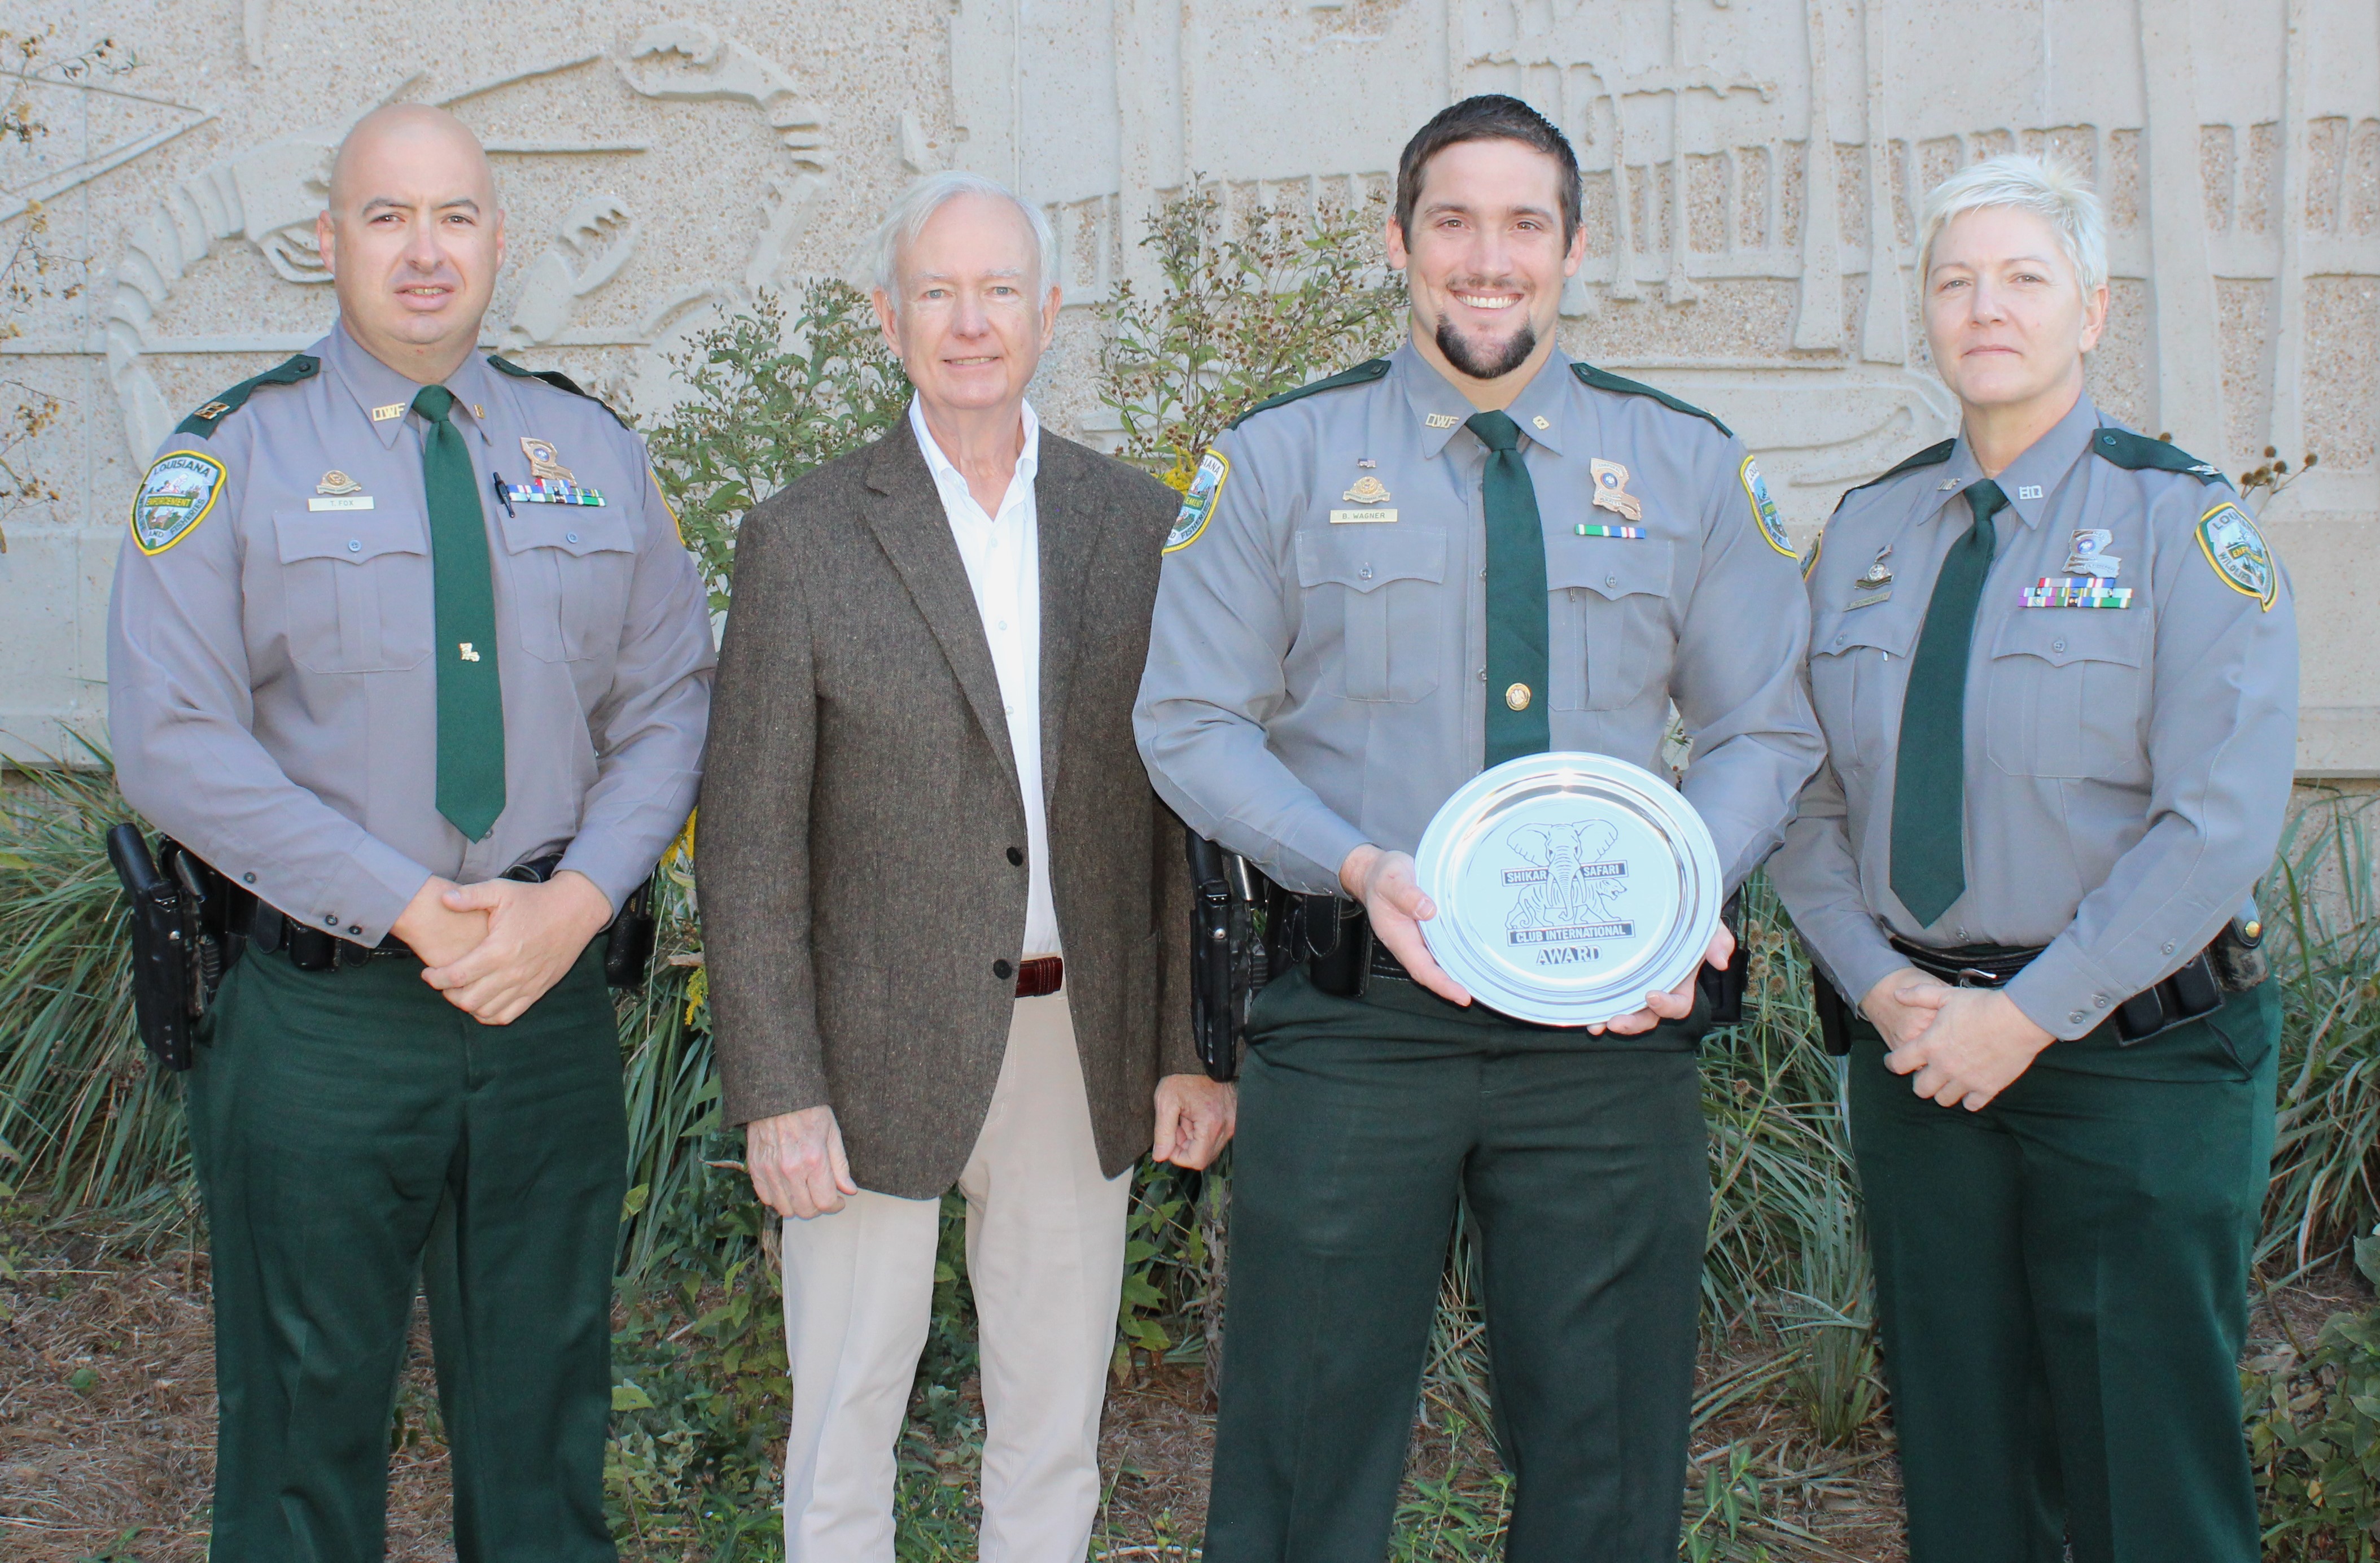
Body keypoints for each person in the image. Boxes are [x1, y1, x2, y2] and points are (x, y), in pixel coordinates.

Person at [1135, 95, 1823, 1561]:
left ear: (1573, 248)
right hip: (1354, 1015)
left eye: (1524, 223)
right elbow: (1186, 721)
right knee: (1302, 1443)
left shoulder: (1687, 466)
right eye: (1454, 220)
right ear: (1402, 240)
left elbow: (1768, 730)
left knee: (1606, 1452)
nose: (1487, 255)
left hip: (1611, 1032)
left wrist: (1688, 879)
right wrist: (1358, 865)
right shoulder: (1282, 460)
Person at [105, 105, 712, 1560]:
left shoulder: (592, 449)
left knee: (546, 1406)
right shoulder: (229, 456)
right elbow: (173, 739)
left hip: (543, 999)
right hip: (319, 1021)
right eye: (387, 217)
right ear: (326, 243)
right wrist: (401, 900)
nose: (424, 251)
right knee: (304, 1423)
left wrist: (573, 906)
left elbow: (670, 702)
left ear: (499, 242)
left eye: (454, 217)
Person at [696, 170, 1236, 1563]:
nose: (970, 320)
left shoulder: (1140, 526)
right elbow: (747, 837)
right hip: (863, 1060)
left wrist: (1189, 1046)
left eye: (999, 289)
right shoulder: (805, 536)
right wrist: (778, 1088)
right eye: (937, 291)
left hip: (1080, 1039)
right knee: (843, 1422)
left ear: (1049, 313)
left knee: (1051, 1427)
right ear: (889, 319)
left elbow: (1185, 818)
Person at [1770, 154, 2298, 1563]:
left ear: (2091, 310)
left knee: (2146, 1470)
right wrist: (1880, 988)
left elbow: (2216, 822)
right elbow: (1805, 802)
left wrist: (2027, 1014)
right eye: (1953, 280)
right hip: (1921, 1055)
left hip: (2135, 1066)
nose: (1982, 307)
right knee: (1959, 1462)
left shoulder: (2182, 523)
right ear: (1925, 316)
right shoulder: (1869, 531)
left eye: (2021, 278)